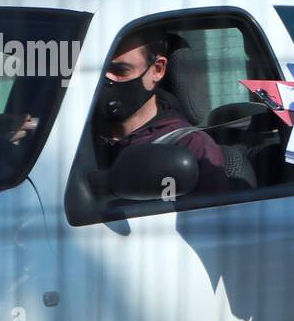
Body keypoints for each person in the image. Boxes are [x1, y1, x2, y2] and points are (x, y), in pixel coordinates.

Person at [93, 30, 229, 196]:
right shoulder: (76, 137)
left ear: (157, 69)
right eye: (98, 72)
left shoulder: (192, 147)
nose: (106, 80)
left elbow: (210, 218)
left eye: (121, 71)